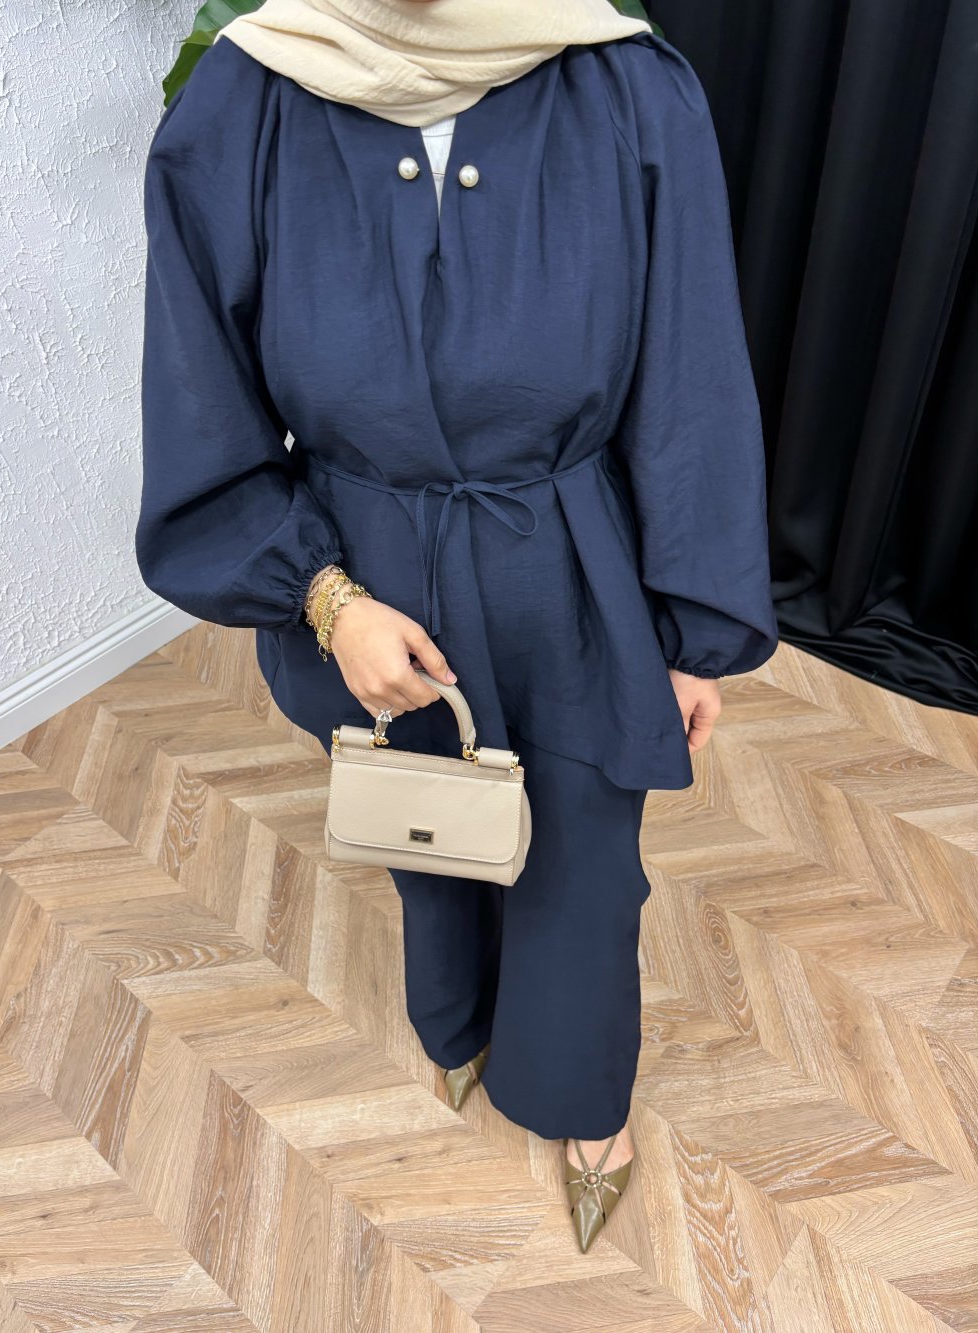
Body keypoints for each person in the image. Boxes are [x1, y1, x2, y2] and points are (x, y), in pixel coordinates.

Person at [135, 0, 778, 1254]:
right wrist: (328, 601)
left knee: (584, 848)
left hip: (574, 554)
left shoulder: (627, 89)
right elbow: (198, 389)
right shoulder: (246, 99)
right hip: (365, 562)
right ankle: (459, 1023)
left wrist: (693, 628)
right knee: (425, 823)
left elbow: (690, 372)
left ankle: (581, 1098)